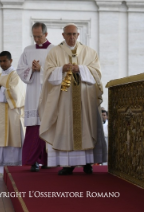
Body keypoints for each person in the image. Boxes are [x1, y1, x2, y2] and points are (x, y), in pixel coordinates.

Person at [39, 23, 107, 175]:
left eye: (74, 34)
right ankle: (68, 164)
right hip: (64, 100)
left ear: (78, 35)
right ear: (63, 35)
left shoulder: (89, 52)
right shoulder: (54, 52)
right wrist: (61, 69)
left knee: (87, 128)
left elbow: (97, 73)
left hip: (85, 98)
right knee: (66, 127)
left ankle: (88, 163)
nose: (71, 37)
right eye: (68, 34)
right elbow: (48, 74)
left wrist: (80, 69)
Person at [16, 22, 54, 172]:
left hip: (48, 92)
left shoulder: (54, 50)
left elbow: (59, 71)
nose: (36, 39)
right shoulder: (28, 50)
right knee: (34, 128)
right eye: (34, 36)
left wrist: (42, 69)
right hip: (32, 93)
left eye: (39, 36)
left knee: (48, 126)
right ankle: (34, 161)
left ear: (46, 34)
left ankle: (49, 160)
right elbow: (20, 69)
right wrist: (31, 69)